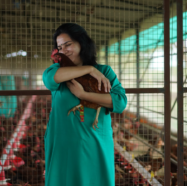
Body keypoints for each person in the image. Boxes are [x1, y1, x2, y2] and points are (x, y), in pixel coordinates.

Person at [43, 23, 127, 186]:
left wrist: (83, 95)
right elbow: (49, 79)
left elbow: (120, 102)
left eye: (68, 44)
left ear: (82, 42)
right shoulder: (58, 71)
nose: (64, 50)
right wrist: (89, 70)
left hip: (94, 143)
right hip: (64, 144)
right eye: (60, 47)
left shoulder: (105, 72)